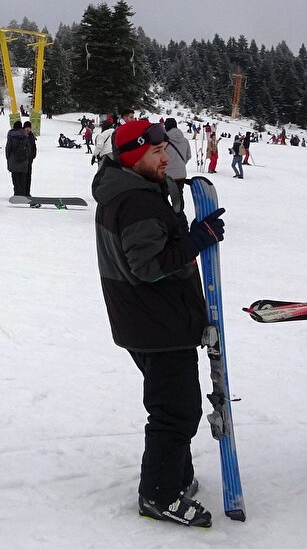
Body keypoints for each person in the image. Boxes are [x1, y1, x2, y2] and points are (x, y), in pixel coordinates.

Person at [92, 120, 224, 528]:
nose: (167, 157)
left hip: (149, 320)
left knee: (177, 405)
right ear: (134, 156)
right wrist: (196, 240)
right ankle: (159, 495)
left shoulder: (133, 191)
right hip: (157, 324)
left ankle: (176, 477)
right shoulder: (137, 201)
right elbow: (148, 266)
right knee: (175, 412)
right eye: (156, 153)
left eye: (166, 149)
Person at [5, 121, 36, 197]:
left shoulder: (11, 136)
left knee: (15, 177)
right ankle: (23, 193)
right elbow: (29, 149)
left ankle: (18, 193)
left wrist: (8, 158)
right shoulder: (25, 136)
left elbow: (8, 149)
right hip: (25, 161)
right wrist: (29, 158)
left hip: (14, 160)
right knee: (23, 178)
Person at [163, 118, 191, 185]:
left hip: (167, 175)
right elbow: (188, 156)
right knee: (179, 195)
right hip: (181, 174)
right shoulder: (185, 140)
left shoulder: (164, 141)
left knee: (163, 195)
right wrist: (180, 164)